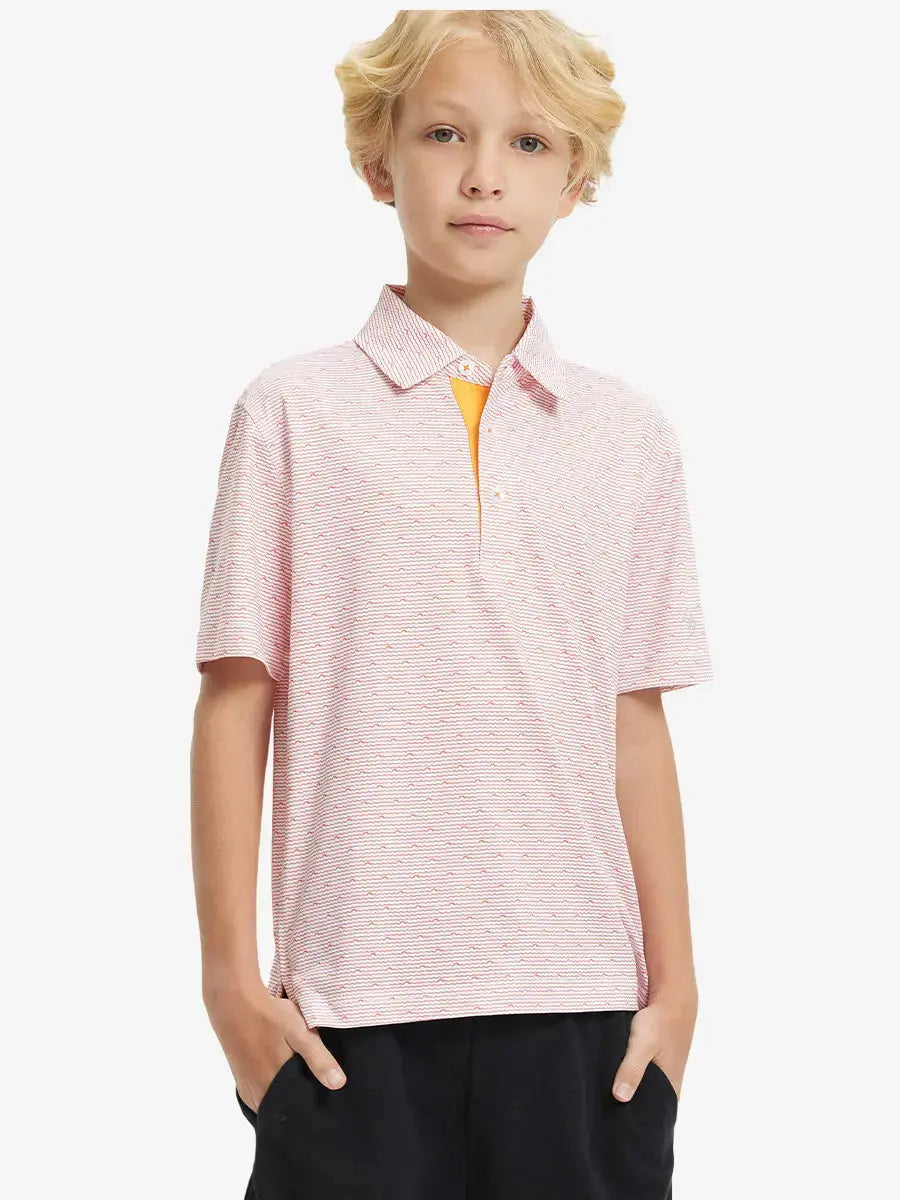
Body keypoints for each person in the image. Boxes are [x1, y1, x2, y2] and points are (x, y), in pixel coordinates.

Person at [190, 10, 714, 1199]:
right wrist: (231, 986)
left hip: (585, 1018)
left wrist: (677, 990)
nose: (484, 174)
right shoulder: (292, 413)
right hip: (347, 1018)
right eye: (444, 133)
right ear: (379, 161)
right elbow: (235, 700)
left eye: (529, 142)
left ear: (575, 180)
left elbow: (634, 721)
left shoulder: (628, 436)